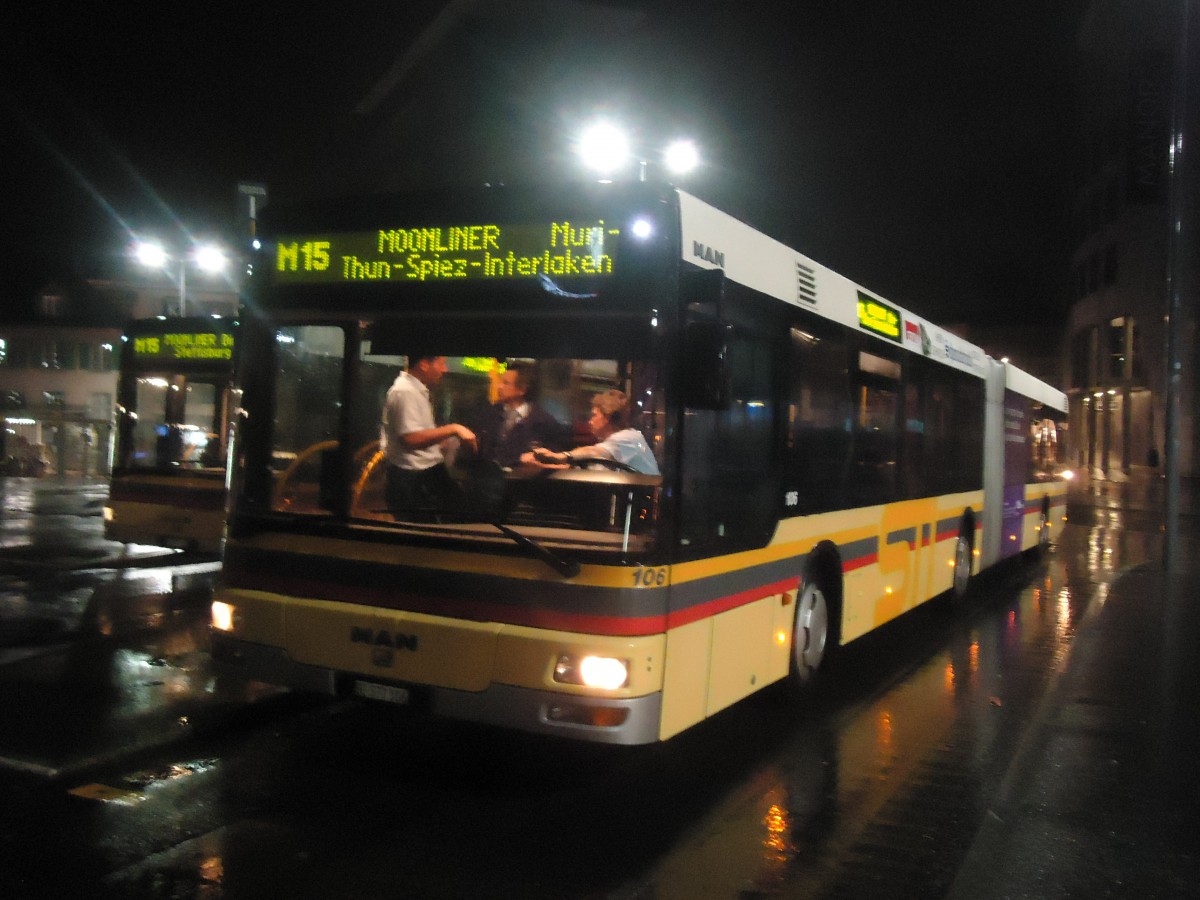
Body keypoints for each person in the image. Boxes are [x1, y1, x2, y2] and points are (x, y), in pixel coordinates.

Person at [381, 355, 477, 517]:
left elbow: (415, 434)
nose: (445, 369)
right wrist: (454, 429)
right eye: (442, 363)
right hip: (413, 478)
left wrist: (439, 441)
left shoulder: (415, 390)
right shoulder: (405, 391)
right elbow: (411, 439)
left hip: (424, 474)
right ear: (424, 364)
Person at [522, 389, 660, 476]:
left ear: (607, 417)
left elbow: (593, 452)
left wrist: (559, 456)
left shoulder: (628, 437)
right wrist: (540, 465)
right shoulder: (613, 446)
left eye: (594, 415)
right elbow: (582, 469)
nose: (590, 421)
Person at [468, 362, 568, 469]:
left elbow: (556, 462)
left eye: (505, 383)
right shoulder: (488, 413)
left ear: (522, 389)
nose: (499, 386)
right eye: (501, 381)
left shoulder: (544, 422)